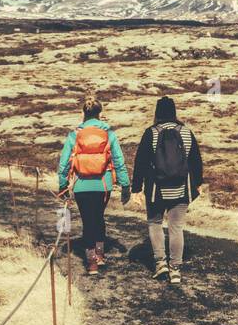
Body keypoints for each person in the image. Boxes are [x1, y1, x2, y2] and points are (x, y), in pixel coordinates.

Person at [132, 96, 203, 286]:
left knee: (155, 223)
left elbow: (140, 162)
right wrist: (198, 183)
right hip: (181, 189)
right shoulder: (187, 132)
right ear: (174, 112)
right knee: (176, 227)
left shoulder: (151, 133)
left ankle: (160, 263)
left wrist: (136, 188)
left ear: (157, 113)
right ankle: (176, 270)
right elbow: (196, 160)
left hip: (157, 190)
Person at [57, 92, 130, 276]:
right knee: (98, 218)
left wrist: (62, 185)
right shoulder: (108, 133)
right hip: (103, 186)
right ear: (100, 113)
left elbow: (64, 163)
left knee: (88, 221)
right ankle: (100, 255)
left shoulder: (74, 135)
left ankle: (91, 263)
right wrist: (125, 185)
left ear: (83, 114)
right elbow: (119, 161)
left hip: (81, 185)